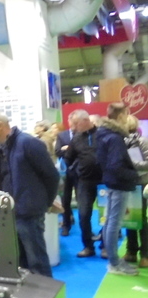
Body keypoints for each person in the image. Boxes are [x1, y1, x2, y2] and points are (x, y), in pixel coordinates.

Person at [0, 112, 59, 277]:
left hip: (29, 212)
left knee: (37, 260)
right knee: (22, 262)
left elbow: (52, 175)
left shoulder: (28, 143)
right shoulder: (3, 147)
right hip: (12, 213)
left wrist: (44, 203)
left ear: (0, 127)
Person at [95, 102, 140, 276]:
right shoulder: (114, 137)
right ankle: (114, 262)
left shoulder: (103, 134)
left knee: (110, 222)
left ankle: (113, 260)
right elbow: (116, 166)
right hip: (119, 183)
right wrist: (134, 175)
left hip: (112, 182)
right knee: (114, 223)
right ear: (121, 116)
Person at [63, 110, 102, 258]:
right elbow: (68, 158)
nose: (73, 127)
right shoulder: (76, 138)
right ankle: (88, 247)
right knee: (84, 215)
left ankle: (105, 246)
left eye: (75, 124)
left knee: (107, 215)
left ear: (85, 121)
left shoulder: (103, 134)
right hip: (84, 182)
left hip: (105, 181)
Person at [124, 115, 148, 268]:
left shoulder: (143, 141)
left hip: (140, 183)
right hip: (130, 184)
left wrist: (130, 163)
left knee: (137, 219)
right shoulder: (120, 143)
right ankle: (135, 252)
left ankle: (142, 254)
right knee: (132, 219)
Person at [55, 111, 81, 236]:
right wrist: (65, 150)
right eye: (72, 121)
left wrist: (68, 149)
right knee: (65, 200)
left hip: (80, 171)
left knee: (82, 201)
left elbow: (83, 152)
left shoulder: (83, 134)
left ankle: (84, 228)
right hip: (65, 172)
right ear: (69, 122)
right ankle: (66, 225)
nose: (74, 124)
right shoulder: (62, 135)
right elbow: (57, 151)